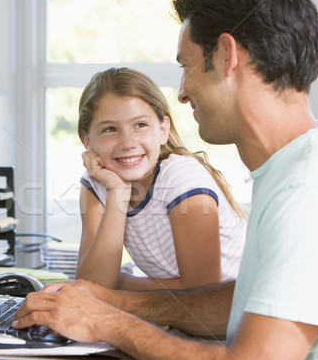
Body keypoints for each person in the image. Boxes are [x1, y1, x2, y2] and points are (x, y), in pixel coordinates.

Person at [14, 0, 318, 360]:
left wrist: (107, 319)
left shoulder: (309, 190)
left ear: (226, 55)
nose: (182, 93)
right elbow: (244, 302)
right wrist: (102, 303)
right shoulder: (315, 157)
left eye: (186, 67)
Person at [76, 67, 246, 291]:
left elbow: (202, 293)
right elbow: (90, 287)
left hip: (230, 316)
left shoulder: (180, 178)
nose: (127, 143)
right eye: (109, 129)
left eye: (140, 125)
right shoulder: (99, 182)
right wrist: (118, 192)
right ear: (86, 139)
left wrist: (123, 283)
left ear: (163, 130)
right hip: (179, 316)